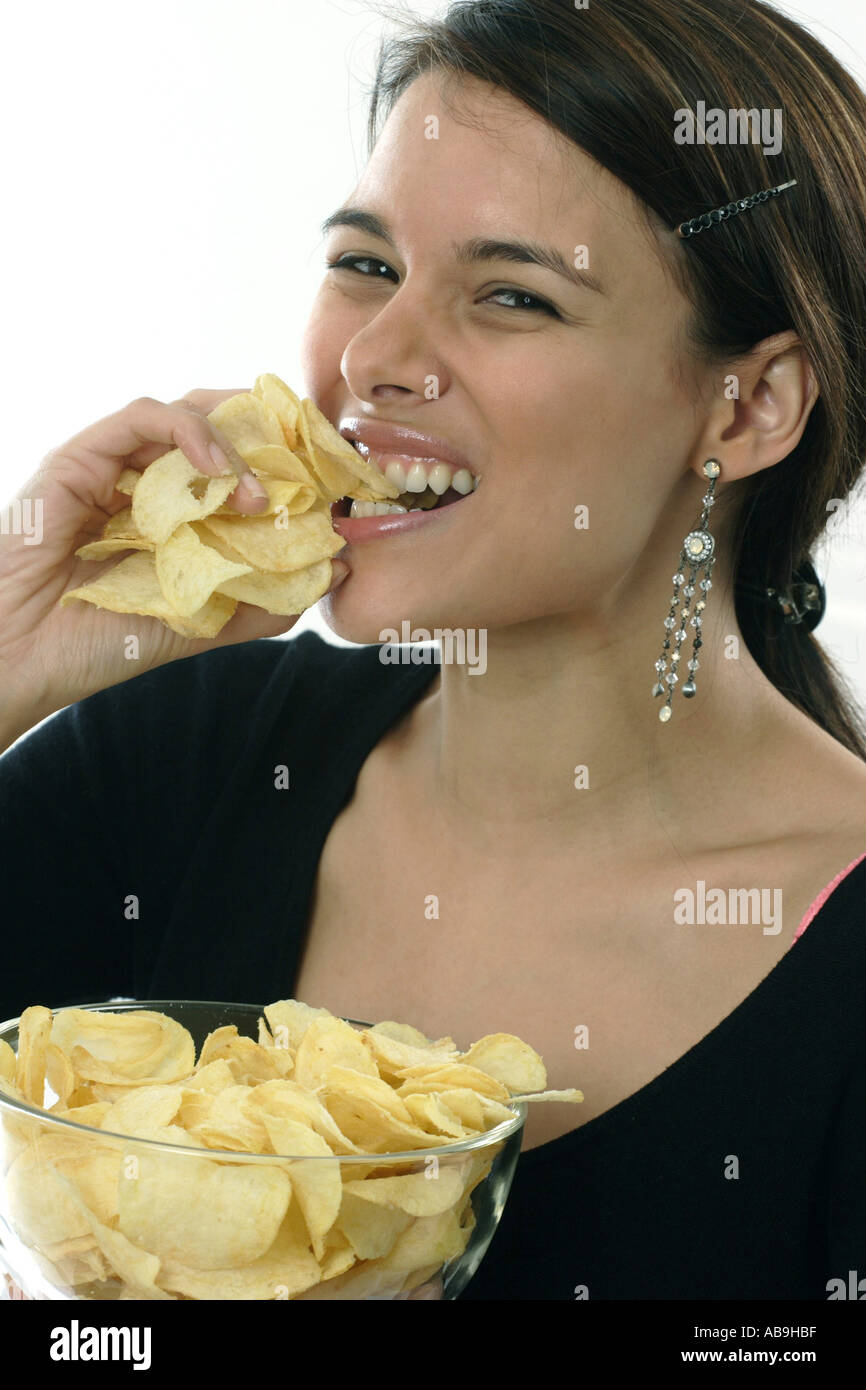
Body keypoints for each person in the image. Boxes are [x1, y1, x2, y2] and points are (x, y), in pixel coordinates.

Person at [2, 0, 866, 1300]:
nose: (371, 355)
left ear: (746, 406)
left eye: (511, 294)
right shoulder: (180, 752)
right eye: (364, 263)